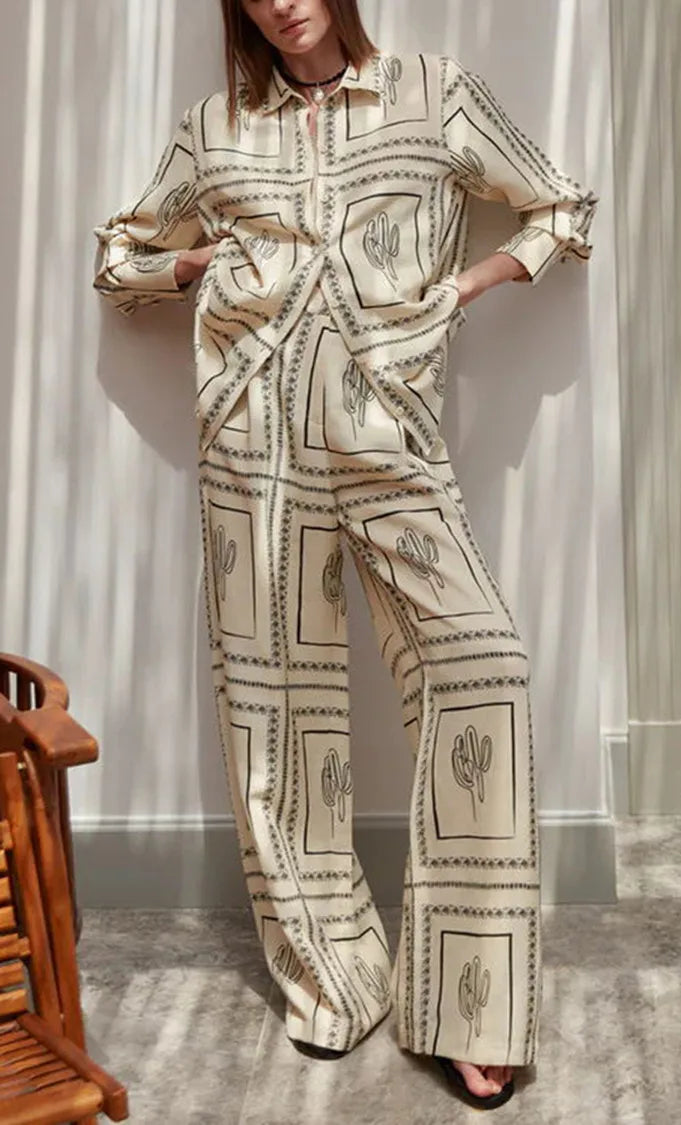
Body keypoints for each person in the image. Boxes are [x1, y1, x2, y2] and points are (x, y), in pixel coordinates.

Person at [93, 0, 597, 1111]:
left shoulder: (433, 95)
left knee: (483, 668)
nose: (282, 2)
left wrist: (460, 291)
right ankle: (333, 976)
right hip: (252, 444)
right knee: (275, 716)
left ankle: (470, 1000)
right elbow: (118, 255)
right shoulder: (216, 128)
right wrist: (190, 267)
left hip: (388, 437)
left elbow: (560, 205)